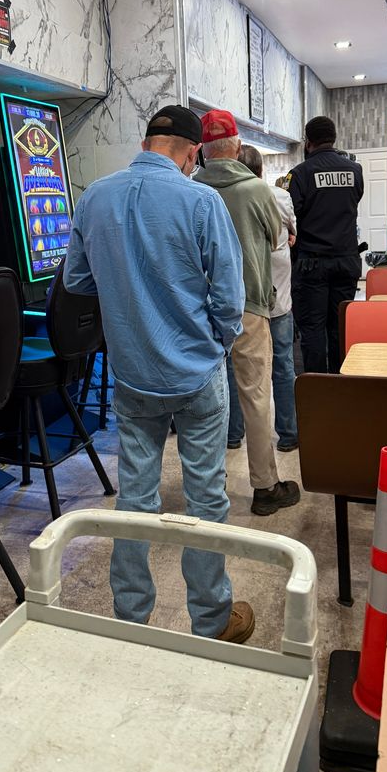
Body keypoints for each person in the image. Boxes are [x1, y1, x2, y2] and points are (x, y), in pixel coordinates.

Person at [64, 104, 255, 644]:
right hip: (196, 373)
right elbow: (229, 299)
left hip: (131, 374)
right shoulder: (201, 200)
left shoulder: (95, 196)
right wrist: (214, 345)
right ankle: (213, 617)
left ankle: (131, 617)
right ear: (193, 152)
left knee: (135, 496)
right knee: (206, 498)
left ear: (149, 140)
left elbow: (77, 281)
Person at [194, 109, 301, 516]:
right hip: (249, 306)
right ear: (237, 147)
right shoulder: (257, 190)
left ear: (202, 152)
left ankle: (209, 485)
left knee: (207, 399)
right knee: (256, 395)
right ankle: (265, 488)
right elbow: (277, 238)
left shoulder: (192, 189)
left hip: (199, 313)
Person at [226, 148, 299, 453]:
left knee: (233, 367)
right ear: (259, 171)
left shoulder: (219, 197)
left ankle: (233, 433)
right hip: (276, 294)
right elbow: (290, 233)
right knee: (282, 364)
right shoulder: (279, 196)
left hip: (240, 297)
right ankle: (288, 433)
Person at [287, 115, 364, 374]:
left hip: (312, 264)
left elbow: (290, 216)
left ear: (308, 141)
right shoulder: (355, 171)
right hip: (346, 261)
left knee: (313, 330)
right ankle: (342, 386)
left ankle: (318, 390)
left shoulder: (300, 174)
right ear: (333, 138)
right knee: (339, 328)